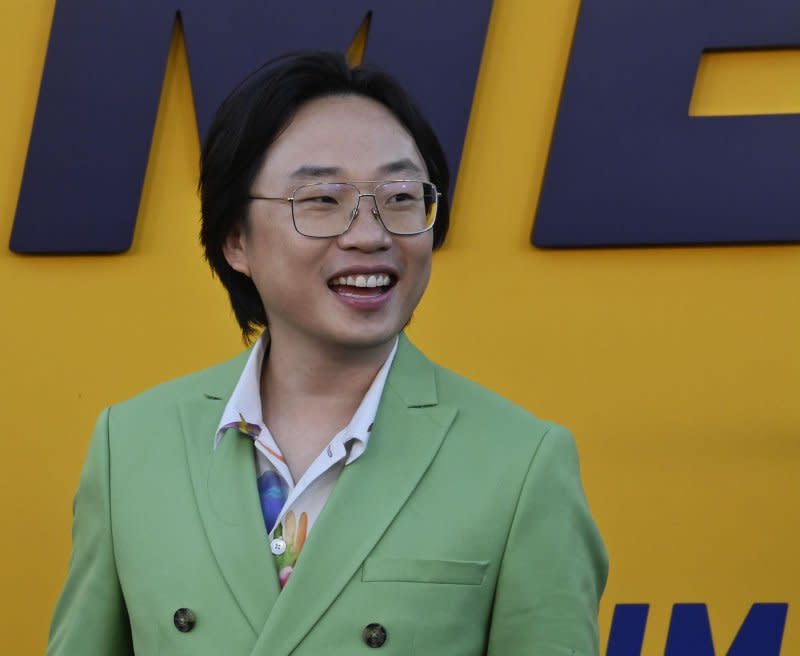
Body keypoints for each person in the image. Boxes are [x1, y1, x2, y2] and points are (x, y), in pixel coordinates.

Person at [46, 51, 608, 655]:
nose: (370, 234)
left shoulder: (520, 463)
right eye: (321, 200)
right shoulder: (131, 445)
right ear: (237, 239)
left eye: (400, 197)